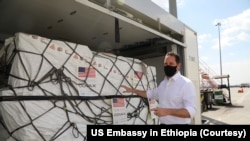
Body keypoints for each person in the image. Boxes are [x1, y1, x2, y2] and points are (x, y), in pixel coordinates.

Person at [121, 51, 197, 125]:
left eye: (171, 64)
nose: (168, 66)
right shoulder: (163, 84)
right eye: (166, 64)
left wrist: (167, 111)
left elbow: (191, 111)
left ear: (178, 65)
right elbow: (149, 94)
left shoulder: (186, 83)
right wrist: (133, 90)